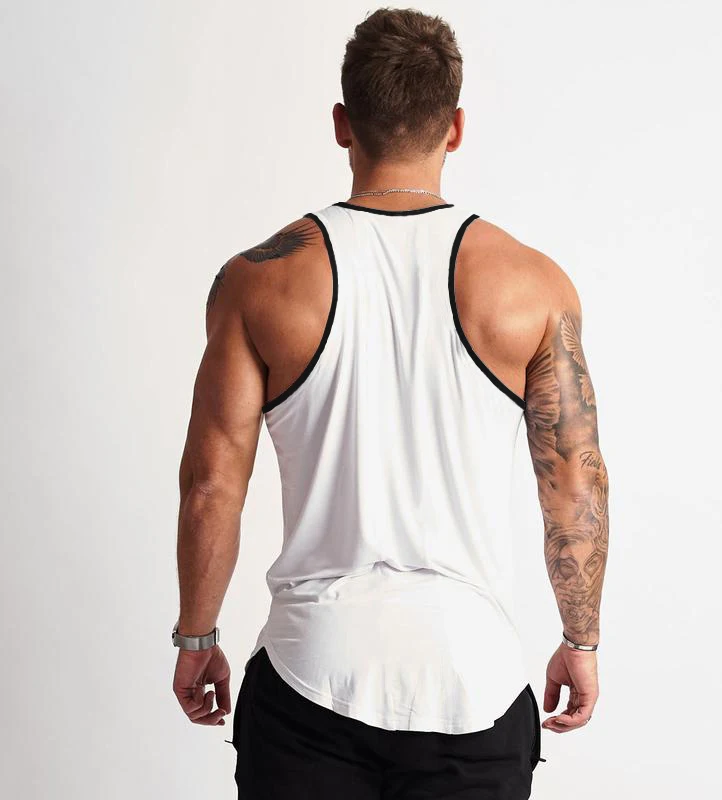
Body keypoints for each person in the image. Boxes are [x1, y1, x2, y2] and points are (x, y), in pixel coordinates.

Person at [171, 7, 609, 799]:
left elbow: (211, 485)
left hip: (309, 675)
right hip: (471, 681)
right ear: (456, 128)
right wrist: (581, 641)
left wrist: (197, 636)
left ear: (343, 123)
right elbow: (575, 485)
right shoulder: (533, 286)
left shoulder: (259, 281)